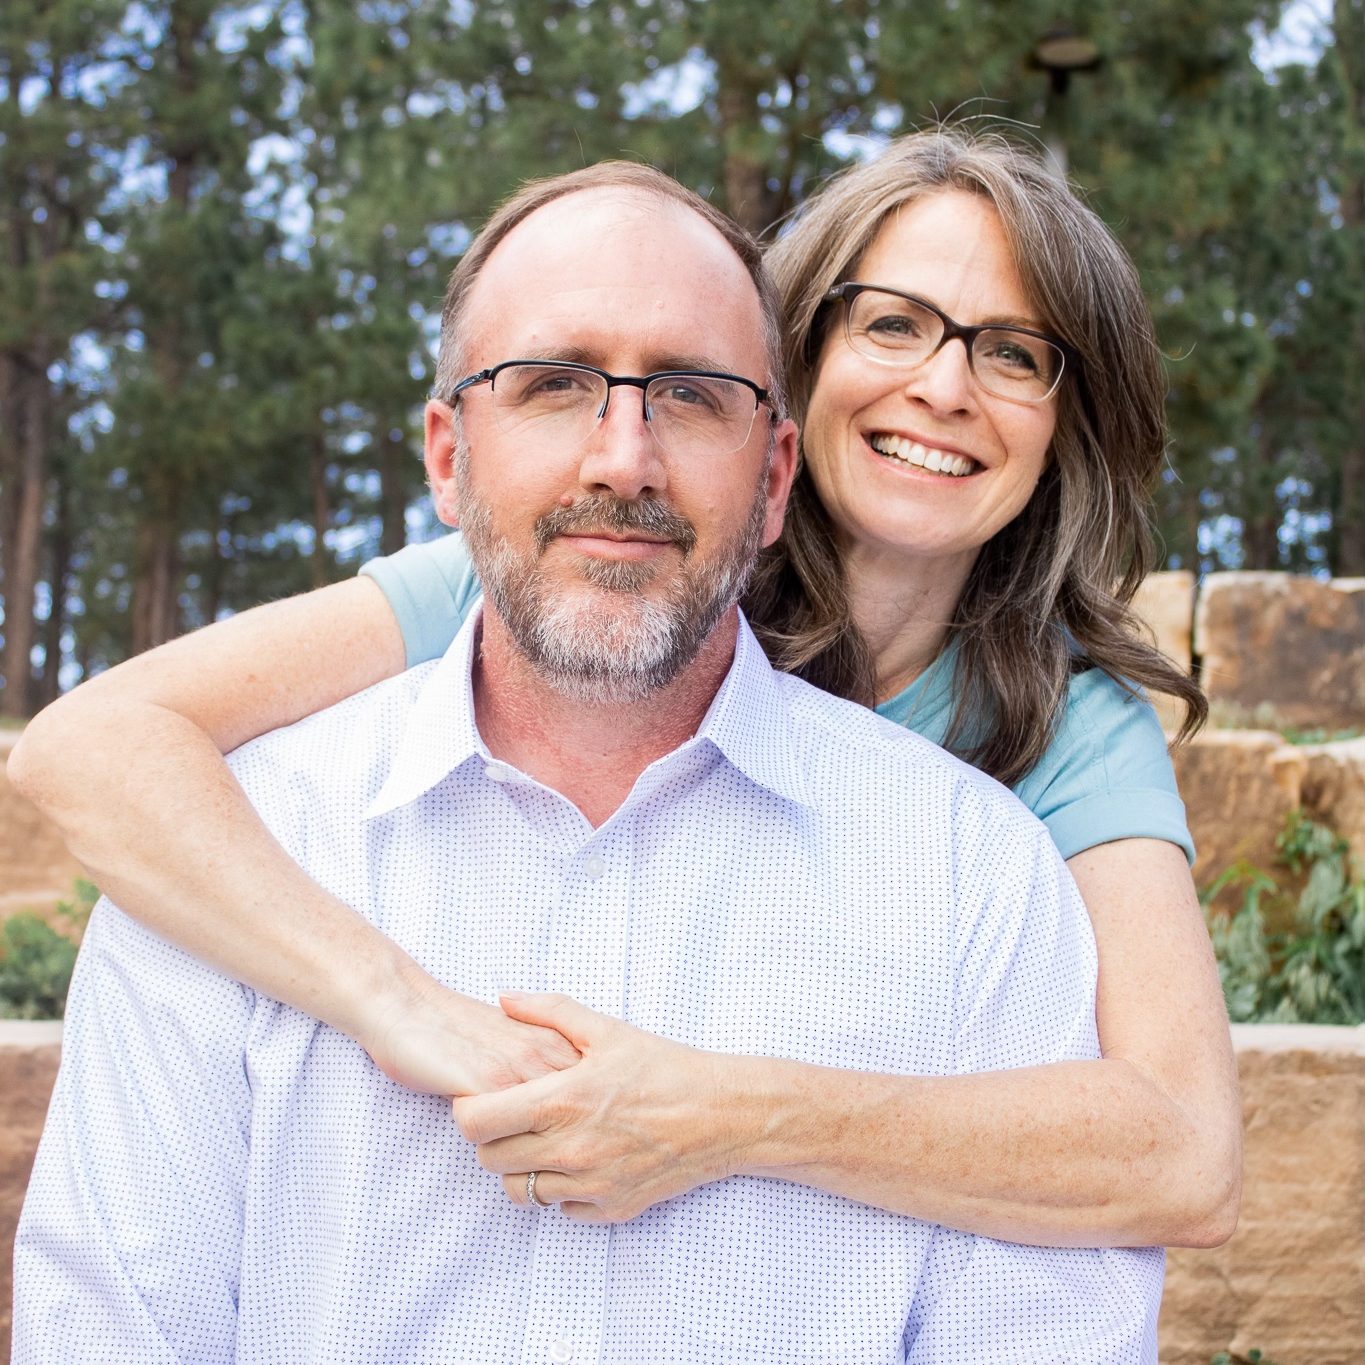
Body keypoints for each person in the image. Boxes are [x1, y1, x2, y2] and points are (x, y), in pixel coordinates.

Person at [15, 164, 1164, 1363]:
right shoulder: (230, 858)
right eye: (555, 385)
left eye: (691, 394)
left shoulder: (985, 870)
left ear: (772, 477)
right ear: (448, 459)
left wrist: (737, 1113)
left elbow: (1175, 1161)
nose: (623, 459)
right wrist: (394, 1003)